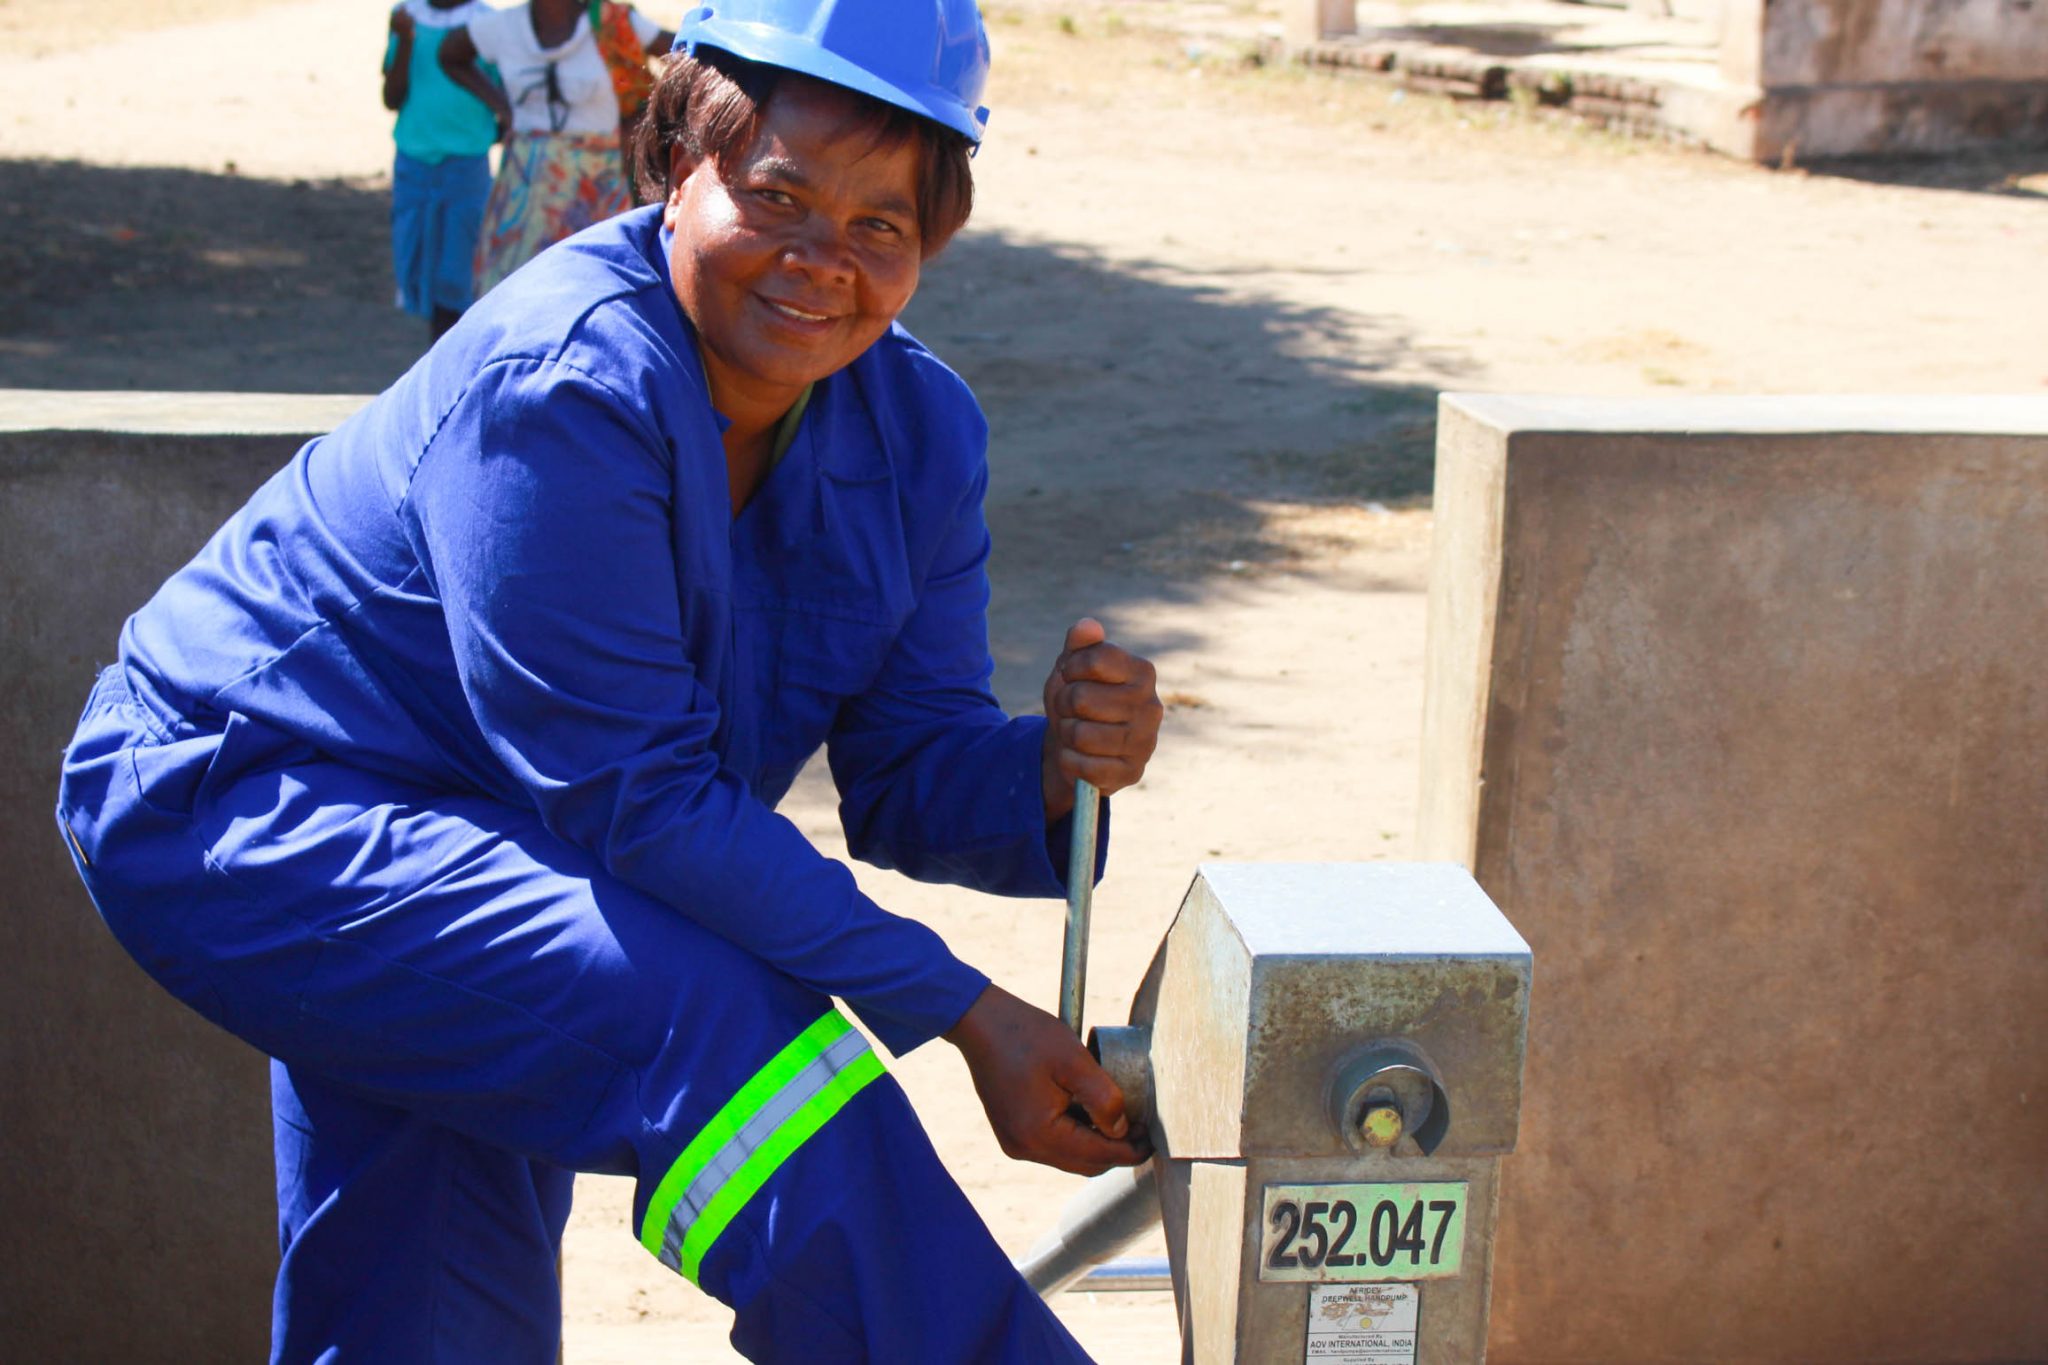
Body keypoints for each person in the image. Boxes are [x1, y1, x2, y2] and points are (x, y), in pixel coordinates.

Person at [54, 0, 1164, 1360]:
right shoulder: (564, 388)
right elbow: (637, 802)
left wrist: (1050, 765)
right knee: (735, 1042)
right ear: (670, 162)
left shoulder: (919, 432)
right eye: (778, 196)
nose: (825, 261)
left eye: (884, 225)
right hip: (247, 805)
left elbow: (910, 766)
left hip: (491, 837)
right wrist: (960, 1010)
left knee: (426, 1299)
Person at [439, 0, 671, 298]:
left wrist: (646, 122)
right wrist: (503, 108)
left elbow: (684, 53)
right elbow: (449, 54)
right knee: (515, 292)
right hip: (524, 191)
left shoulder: (612, 22)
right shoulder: (504, 27)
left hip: (595, 189)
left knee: (594, 288)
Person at [381, 0, 500, 339]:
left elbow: (504, 90)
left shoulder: (484, 24)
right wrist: (404, 40)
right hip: (413, 163)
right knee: (418, 264)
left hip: (466, 165)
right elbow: (392, 96)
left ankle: (448, 354)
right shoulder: (407, 17)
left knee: (459, 270)